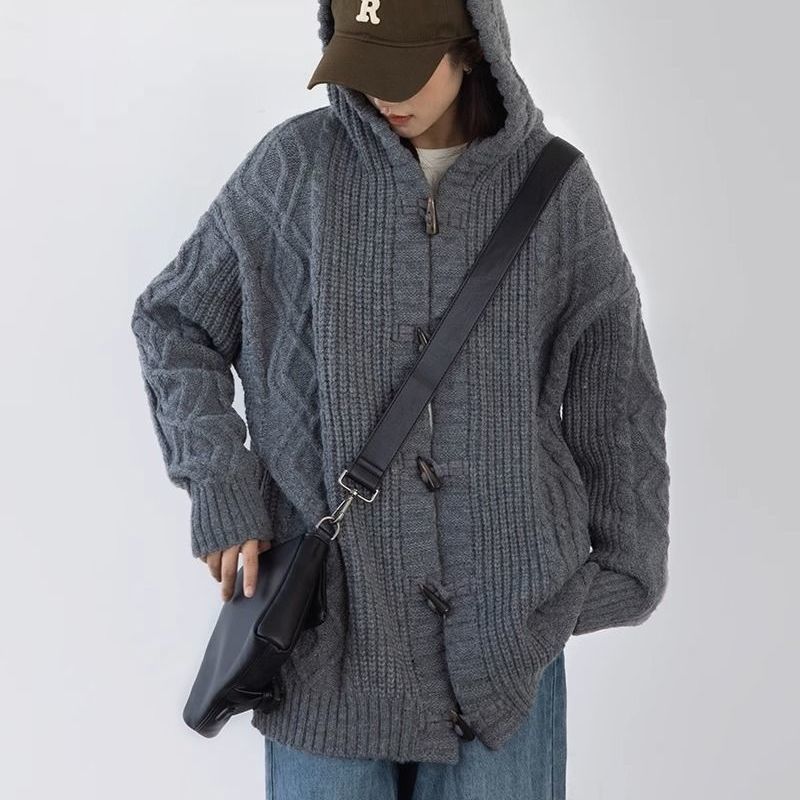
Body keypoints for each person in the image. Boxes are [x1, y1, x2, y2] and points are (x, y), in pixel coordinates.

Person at [130, 0, 671, 797]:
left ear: (473, 47)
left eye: (405, 68)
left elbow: (616, 397)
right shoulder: (295, 170)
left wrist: (624, 569)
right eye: (363, 65)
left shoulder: (557, 191)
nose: (383, 93)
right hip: (327, 648)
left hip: (505, 661)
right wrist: (220, 485)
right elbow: (174, 322)